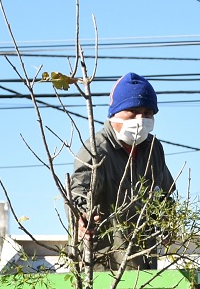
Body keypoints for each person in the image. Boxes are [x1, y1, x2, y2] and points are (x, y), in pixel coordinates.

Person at [67, 72, 177, 265]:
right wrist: (82, 219)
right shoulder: (96, 151)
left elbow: (165, 196)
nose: (140, 119)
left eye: (147, 113)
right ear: (114, 113)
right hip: (102, 266)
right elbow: (78, 194)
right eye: (133, 112)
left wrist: (168, 223)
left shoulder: (153, 148)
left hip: (144, 265)